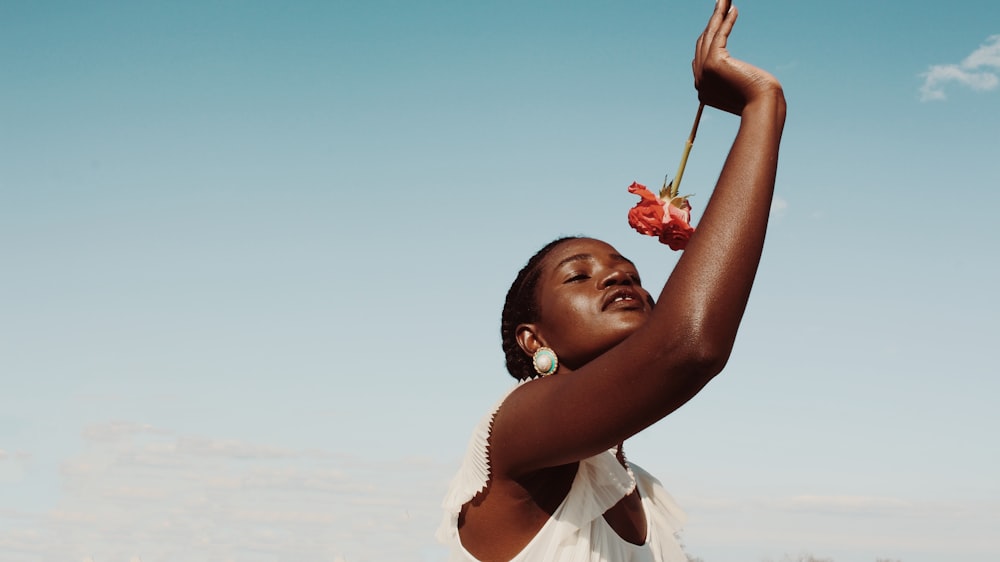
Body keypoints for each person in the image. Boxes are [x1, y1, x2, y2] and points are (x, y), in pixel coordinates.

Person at [437, 1, 786, 560]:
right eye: (579, 275)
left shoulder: (634, 485)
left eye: (631, 271)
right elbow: (688, 345)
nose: (618, 274)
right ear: (534, 340)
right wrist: (762, 105)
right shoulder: (515, 434)